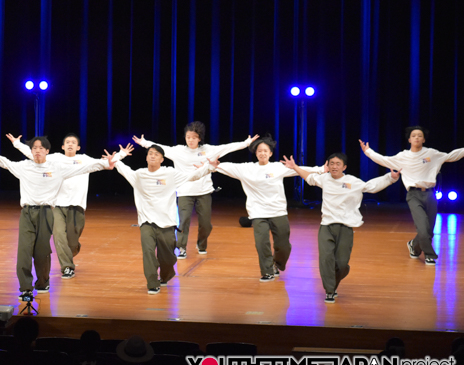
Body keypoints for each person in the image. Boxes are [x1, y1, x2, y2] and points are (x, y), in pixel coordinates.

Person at [0, 136, 125, 298]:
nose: (37, 151)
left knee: (42, 250)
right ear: (31, 151)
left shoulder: (56, 168)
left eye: (41, 148)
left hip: (46, 212)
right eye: (34, 148)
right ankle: (25, 287)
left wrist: (107, 163)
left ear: (47, 151)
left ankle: (43, 282)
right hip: (27, 213)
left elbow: (87, 168)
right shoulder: (24, 167)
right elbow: (5, 162)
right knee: (24, 251)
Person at [282, 153, 400, 303]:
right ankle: (330, 290)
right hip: (326, 226)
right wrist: (295, 167)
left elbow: (371, 186)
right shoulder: (324, 179)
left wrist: (390, 178)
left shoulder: (352, 181)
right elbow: (309, 178)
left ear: (344, 167)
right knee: (326, 260)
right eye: (331, 163)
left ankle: (334, 281)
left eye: (338, 164)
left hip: (345, 227)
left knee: (342, 264)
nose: (334, 166)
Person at [133, 123, 257, 258]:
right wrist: (144, 143)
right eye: (188, 137)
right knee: (183, 221)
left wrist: (246, 143)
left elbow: (227, 147)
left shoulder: (208, 150)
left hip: (204, 192)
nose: (190, 140)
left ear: (199, 138)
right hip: (184, 192)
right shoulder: (178, 151)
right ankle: (181, 248)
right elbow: (161, 148)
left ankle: (201, 244)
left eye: (194, 137)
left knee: (205, 224)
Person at [214, 135, 323, 282]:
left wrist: (321, 169)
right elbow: (225, 166)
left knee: (283, 246)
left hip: (278, 212)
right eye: (259, 151)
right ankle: (267, 271)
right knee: (261, 243)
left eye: (265, 151)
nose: (262, 153)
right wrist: (213, 165)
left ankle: (277, 264)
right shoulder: (247, 168)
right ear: (256, 153)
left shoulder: (277, 167)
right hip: (257, 213)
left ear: (270, 153)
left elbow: (299, 170)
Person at [114, 144, 217, 294]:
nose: (153, 156)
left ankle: (165, 276)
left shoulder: (170, 173)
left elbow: (192, 176)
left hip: (167, 223)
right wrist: (119, 155)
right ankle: (152, 282)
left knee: (168, 258)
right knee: (148, 252)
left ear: (162, 159)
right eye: (150, 153)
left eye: (156, 154)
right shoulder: (139, 175)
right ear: (146, 157)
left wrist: (209, 167)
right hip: (146, 222)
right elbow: (122, 168)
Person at [360, 127, 464, 266]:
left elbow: (452, 155)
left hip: (430, 194)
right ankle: (429, 255)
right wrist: (368, 152)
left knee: (429, 231)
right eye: (413, 135)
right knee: (422, 228)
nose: (416, 138)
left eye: (419, 136)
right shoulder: (403, 156)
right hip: (413, 195)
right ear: (409, 139)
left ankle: (414, 247)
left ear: (424, 139)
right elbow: (384, 160)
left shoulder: (431, 154)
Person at [7, 132, 97, 279]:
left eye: (73, 142)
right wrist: (17, 144)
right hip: (57, 205)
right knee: (59, 236)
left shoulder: (84, 159)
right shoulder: (55, 159)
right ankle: (67, 267)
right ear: (62, 146)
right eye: (67, 142)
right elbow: (36, 155)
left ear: (78, 147)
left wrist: (118, 157)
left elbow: (103, 163)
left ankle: (71, 250)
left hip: (77, 205)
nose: (70, 144)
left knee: (72, 242)